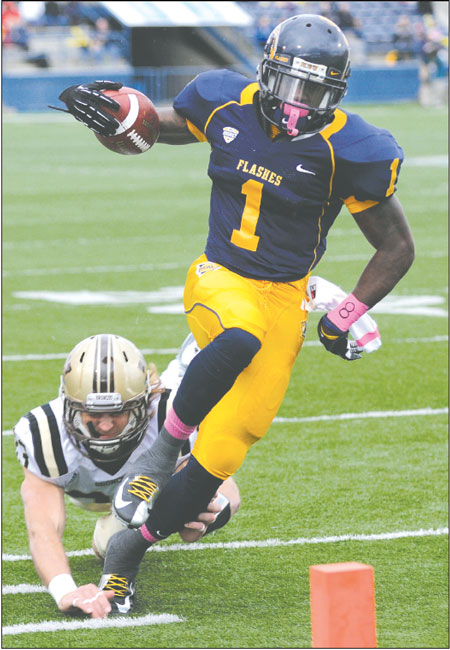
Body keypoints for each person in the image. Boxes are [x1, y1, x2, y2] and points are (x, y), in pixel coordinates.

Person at [53, 13, 415, 612]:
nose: (298, 104)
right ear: (267, 72)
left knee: (222, 454)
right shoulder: (224, 100)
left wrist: (343, 314)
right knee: (240, 333)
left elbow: (397, 246)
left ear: (337, 94)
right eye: (291, 85)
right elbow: (161, 128)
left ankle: (128, 553)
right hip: (218, 276)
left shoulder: (353, 150)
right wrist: (123, 117)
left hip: (285, 299)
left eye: (314, 92)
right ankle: (159, 452)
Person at [14, 333, 240, 618]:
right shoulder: (44, 433)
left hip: (154, 483)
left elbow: (229, 493)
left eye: (119, 411)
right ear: (70, 404)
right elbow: (43, 527)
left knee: (192, 502)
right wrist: (65, 590)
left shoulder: (167, 413)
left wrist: (207, 511)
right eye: (92, 413)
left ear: (142, 402)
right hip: (89, 496)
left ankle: (187, 363)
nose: (106, 424)